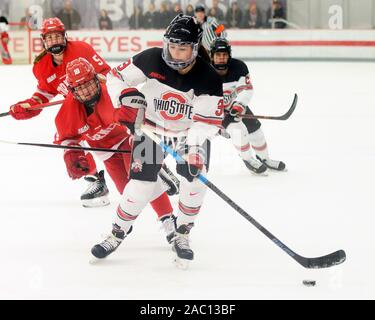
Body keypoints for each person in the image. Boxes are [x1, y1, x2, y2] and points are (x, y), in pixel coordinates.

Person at [91, 14, 224, 268]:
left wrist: (194, 152)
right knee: (140, 186)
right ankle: (118, 231)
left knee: (195, 180)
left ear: (195, 49)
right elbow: (115, 77)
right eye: (172, 45)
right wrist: (126, 97)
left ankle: (182, 233)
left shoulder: (208, 77)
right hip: (152, 129)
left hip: (187, 134)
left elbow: (205, 123)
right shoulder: (151, 58)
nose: (175, 53)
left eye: (182, 48)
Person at [55, 57, 175, 242]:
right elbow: (67, 138)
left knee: (142, 182)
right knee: (126, 191)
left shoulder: (113, 93)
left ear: (96, 79)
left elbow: (142, 109)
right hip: (105, 151)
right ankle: (155, 176)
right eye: (80, 87)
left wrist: (136, 116)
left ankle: (168, 220)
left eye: (88, 84)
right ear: (72, 91)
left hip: (128, 139)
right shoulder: (68, 111)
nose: (86, 91)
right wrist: (72, 154)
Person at [7, 17, 112, 207]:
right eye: (50, 38)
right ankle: (96, 180)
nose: (54, 41)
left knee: (127, 134)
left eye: (58, 36)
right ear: (44, 41)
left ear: (65, 37)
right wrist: (28, 106)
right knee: (67, 137)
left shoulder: (81, 49)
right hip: (78, 108)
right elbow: (43, 94)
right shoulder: (41, 66)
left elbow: (107, 73)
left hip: (102, 101)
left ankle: (156, 168)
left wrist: (88, 89)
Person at [210, 38, 286, 173]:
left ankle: (265, 159)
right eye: (218, 55)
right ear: (212, 56)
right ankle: (248, 160)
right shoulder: (205, 71)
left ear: (229, 55)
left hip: (236, 106)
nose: (221, 58)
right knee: (238, 131)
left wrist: (238, 106)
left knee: (256, 131)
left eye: (224, 55)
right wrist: (219, 124)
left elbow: (247, 89)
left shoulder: (239, 67)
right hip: (214, 111)